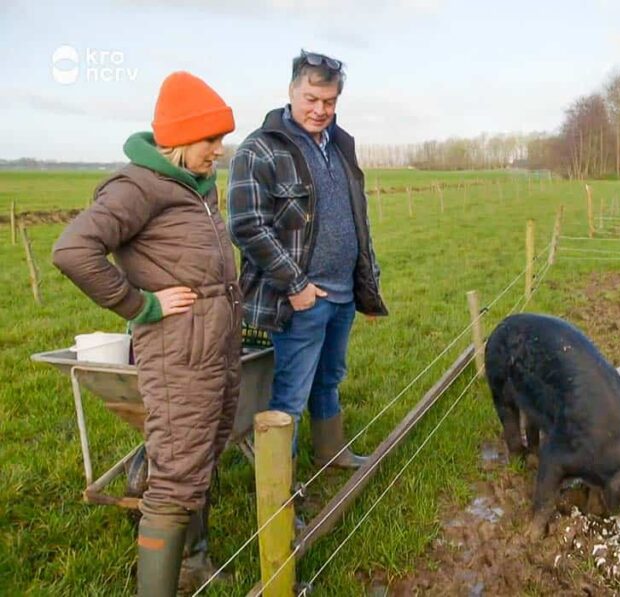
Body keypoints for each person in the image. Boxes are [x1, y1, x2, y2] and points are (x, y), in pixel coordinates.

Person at [52, 71, 239, 596]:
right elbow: (73, 250)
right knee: (177, 476)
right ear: (178, 139)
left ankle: (191, 564)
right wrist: (142, 304)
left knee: (198, 459)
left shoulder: (196, 188)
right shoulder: (138, 186)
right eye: (211, 139)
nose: (219, 150)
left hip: (213, 353)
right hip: (178, 356)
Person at [227, 50, 387, 470]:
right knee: (290, 396)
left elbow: (356, 216)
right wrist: (295, 284)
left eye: (329, 101)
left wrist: (366, 283)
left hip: (342, 295)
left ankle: (330, 453)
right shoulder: (260, 150)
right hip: (300, 299)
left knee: (329, 380)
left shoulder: (340, 146)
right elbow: (247, 226)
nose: (320, 110)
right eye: (311, 99)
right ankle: (280, 495)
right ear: (291, 91)